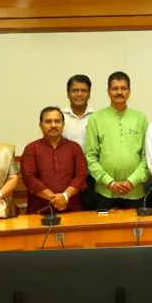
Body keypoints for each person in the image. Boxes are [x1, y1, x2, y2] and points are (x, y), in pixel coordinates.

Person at [85, 72, 151, 209]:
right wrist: (109, 182)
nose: (119, 92)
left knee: (137, 224)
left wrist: (131, 181)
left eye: (123, 88)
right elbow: (90, 156)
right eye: (115, 88)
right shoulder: (96, 119)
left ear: (129, 91)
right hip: (105, 193)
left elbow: (147, 157)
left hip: (135, 192)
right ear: (108, 91)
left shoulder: (140, 118)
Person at [22, 107, 86, 213]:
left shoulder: (74, 147)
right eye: (48, 121)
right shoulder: (31, 149)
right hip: (40, 211)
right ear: (41, 125)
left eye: (57, 121)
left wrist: (65, 196)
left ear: (63, 125)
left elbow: (81, 176)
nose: (53, 125)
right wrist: (53, 198)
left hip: (72, 209)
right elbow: (29, 178)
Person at [62, 74, 96, 210]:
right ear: (68, 94)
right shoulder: (60, 117)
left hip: (92, 178)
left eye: (83, 91)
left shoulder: (98, 117)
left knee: (91, 216)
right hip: (66, 179)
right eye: (75, 90)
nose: (79, 94)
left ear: (89, 94)